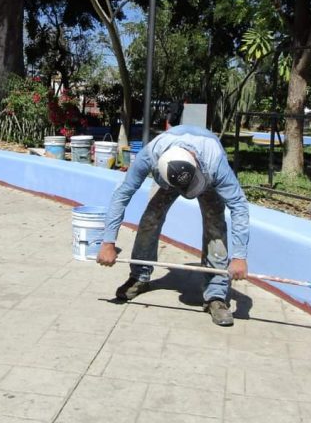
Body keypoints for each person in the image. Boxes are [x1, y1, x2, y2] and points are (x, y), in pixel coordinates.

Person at [96, 124, 250, 326]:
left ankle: (216, 295)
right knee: (151, 217)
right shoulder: (149, 156)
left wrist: (239, 257)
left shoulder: (215, 162)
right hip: (171, 175)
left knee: (215, 226)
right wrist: (108, 242)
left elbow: (239, 205)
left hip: (206, 177)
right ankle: (139, 276)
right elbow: (122, 194)